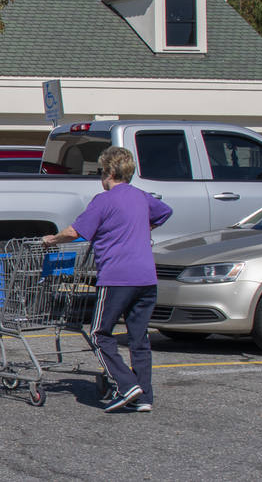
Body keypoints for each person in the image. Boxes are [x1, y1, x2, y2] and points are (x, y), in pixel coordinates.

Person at [43, 145, 172, 412]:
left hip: (117, 277)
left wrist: (52, 239)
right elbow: (165, 212)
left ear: (110, 172)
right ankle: (145, 396)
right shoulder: (141, 197)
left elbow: (73, 231)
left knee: (100, 334)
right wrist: (145, 226)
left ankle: (126, 385)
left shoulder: (103, 201)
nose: (101, 177)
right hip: (146, 278)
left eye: (102, 171)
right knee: (139, 338)